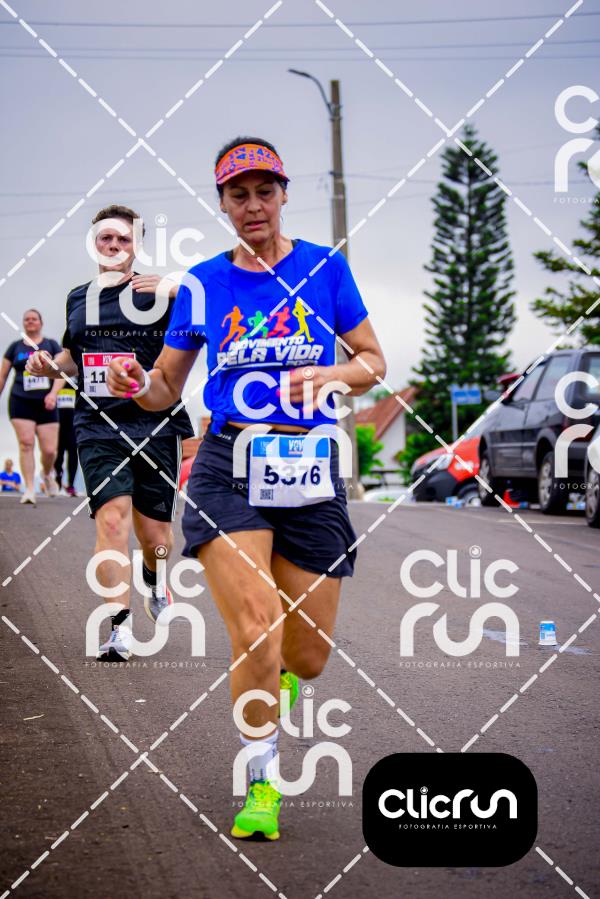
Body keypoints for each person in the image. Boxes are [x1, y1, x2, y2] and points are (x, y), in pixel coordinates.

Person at [106, 138, 386, 840]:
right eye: (239, 194)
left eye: (265, 191)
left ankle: (276, 676)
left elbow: (373, 362)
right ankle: (262, 783)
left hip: (310, 464)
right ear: (223, 204)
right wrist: (137, 384)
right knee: (257, 629)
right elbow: (166, 385)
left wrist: (332, 375)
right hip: (229, 461)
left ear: (283, 194)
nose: (253, 205)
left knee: (306, 657)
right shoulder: (204, 283)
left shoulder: (325, 268)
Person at [26, 204, 194, 659]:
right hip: (98, 423)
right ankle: (119, 629)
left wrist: (178, 288)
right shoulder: (78, 298)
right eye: (106, 238)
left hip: (155, 421)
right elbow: (73, 357)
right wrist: (48, 365)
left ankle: (155, 579)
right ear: (94, 243)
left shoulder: (160, 293)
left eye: (124, 239)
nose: (115, 245)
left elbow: (217, 310)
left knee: (156, 538)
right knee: (113, 518)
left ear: (137, 245)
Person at [0, 309, 62, 505]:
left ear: (41, 323)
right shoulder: (14, 347)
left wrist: (53, 394)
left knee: (49, 450)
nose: (30, 321)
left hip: (46, 403)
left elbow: (62, 372)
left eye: (34, 319)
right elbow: (3, 375)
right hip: (20, 401)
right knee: (26, 444)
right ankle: (28, 489)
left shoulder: (51, 345)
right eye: (26, 319)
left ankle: (47, 473)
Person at [54, 382, 79, 496]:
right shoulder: (55, 382)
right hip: (58, 426)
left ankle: (71, 485)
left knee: (73, 455)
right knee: (58, 456)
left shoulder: (77, 382)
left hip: (73, 426)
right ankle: (58, 483)